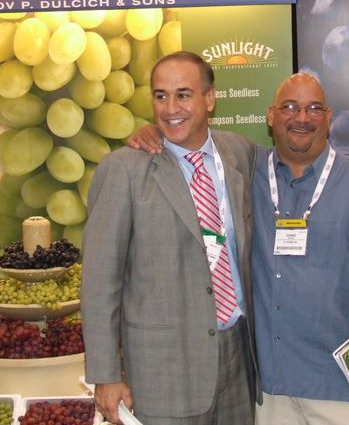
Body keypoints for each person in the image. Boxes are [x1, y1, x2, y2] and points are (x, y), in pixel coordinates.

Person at [129, 72, 349, 424]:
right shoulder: (244, 171)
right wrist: (157, 131)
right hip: (271, 389)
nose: (301, 117)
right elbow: (191, 137)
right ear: (271, 115)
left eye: (314, 108)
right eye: (289, 107)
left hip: (345, 384)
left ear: (328, 117)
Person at [81, 51, 258, 425]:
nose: (170, 108)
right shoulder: (124, 170)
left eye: (183, 95)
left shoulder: (239, 153)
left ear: (210, 99)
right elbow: (100, 281)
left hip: (238, 361)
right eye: (161, 96)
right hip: (164, 372)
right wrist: (106, 375)